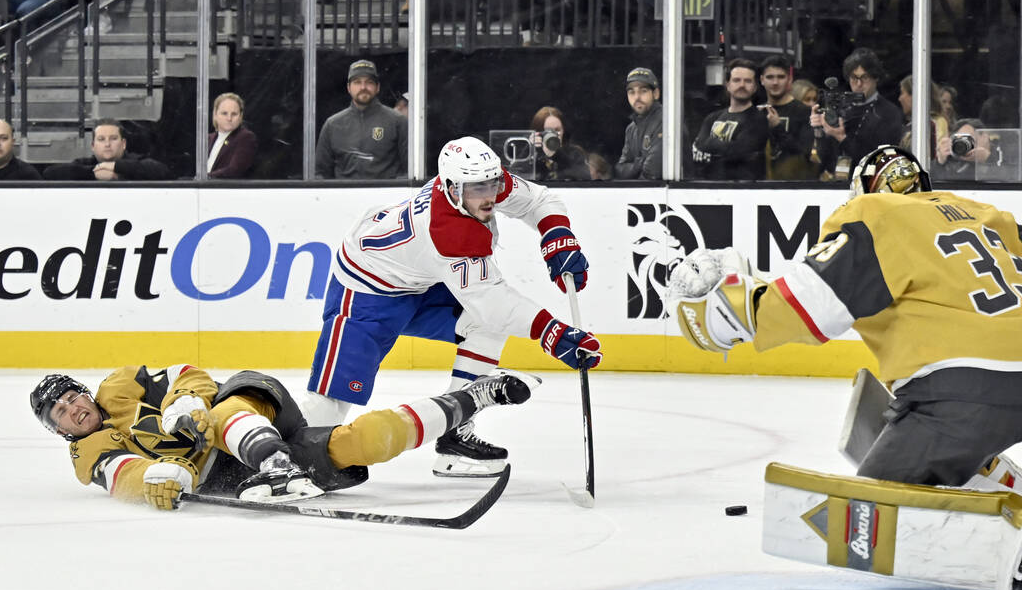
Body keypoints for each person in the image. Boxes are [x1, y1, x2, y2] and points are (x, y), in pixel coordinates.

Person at [668, 144, 1022, 590]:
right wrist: (1020, 336)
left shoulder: (876, 214)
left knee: (872, 513)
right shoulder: (973, 211)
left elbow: (810, 306)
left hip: (965, 395)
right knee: (925, 441)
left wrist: (731, 312)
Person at [302, 135, 600, 478]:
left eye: (493, 184)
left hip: (421, 280)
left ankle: (454, 429)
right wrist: (553, 332)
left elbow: (540, 200)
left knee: (484, 328)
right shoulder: (450, 232)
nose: (489, 196)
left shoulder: (477, 183)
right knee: (334, 396)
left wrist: (557, 236)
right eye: (477, 189)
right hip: (367, 288)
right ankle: (282, 459)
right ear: (452, 188)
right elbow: (492, 301)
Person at [30, 364, 536, 510]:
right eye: (60, 413)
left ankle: (275, 465)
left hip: (251, 408)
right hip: (229, 473)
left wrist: (187, 399)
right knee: (364, 440)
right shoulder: (88, 453)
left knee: (226, 409)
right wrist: (155, 482)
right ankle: (474, 399)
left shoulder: (119, 386)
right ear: (58, 430)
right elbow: (124, 475)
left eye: (71, 397)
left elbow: (187, 372)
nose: (72, 410)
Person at [809, 47, 904, 180]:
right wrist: (818, 131)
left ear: (875, 78)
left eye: (864, 77)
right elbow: (820, 158)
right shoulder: (841, 107)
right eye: (854, 78)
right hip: (835, 185)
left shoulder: (889, 112)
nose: (859, 84)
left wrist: (842, 138)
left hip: (870, 185)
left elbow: (880, 161)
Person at [315, 59, 408, 180]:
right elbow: (320, 174)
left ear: (377, 87)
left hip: (386, 197)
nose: (363, 87)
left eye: (369, 82)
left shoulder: (397, 121)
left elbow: (409, 171)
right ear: (348, 87)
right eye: (357, 82)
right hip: (344, 197)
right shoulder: (332, 124)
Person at [691, 57, 767, 180]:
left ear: (755, 87)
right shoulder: (712, 118)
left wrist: (710, 145)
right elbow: (699, 147)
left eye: (748, 81)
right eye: (736, 80)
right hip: (707, 187)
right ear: (728, 85)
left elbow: (741, 152)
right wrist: (726, 149)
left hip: (739, 190)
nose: (742, 85)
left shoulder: (758, 120)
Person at [43, 118, 171, 180]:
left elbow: (162, 171)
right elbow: (50, 173)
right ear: (93, 146)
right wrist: (95, 172)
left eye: (113, 138)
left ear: (124, 144)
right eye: (101, 139)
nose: (107, 144)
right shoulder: (87, 164)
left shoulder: (137, 161)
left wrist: (116, 167)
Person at [760, 55, 815, 180]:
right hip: (760, 187)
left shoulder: (804, 112)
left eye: (781, 77)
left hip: (794, 187)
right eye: (770, 77)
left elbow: (804, 152)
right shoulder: (758, 112)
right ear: (762, 80)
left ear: (789, 80)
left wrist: (777, 128)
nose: (775, 82)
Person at [614, 66, 663, 181]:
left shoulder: (667, 121)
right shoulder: (631, 129)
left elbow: (653, 172)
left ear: (655, 94)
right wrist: (638, 165)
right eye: (632, 92)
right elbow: (619, 169)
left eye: (643, 91)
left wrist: (633, 169)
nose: (637, 97)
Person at [529, 105, 591, 181]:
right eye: (547, 131)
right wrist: (530, 149)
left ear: (563, 131)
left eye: (557, 130)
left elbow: (586, 179)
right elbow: (516, 177)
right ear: (538, 132)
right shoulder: (530, 155)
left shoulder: (574, 153)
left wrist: (557, 155)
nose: (553, 134)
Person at [933, 117, 1003, 182]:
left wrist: (988, 159)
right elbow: (935, 181)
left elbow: (1009, 177)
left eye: (968, 138)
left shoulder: (1002, 151)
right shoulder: (957, 160)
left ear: (985, 136)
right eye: (960, 140)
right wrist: (940, 162)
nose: (965, 144)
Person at [207, 92, 258, 179]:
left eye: (234, 114)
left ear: (241, 116)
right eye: (224, 113)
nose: (229, 118)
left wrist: (205, 178)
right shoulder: (208, 138)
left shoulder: (246, 138)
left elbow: (235, 170)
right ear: (215, 115)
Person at [897, 74, 948, 158]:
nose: (900, 98)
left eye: (902, 93)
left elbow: (938, 157)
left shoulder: (935, 123)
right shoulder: (910, 125)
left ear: (915, 95)